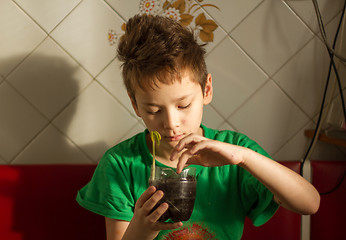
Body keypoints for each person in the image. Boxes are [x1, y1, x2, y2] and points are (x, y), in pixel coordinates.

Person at [76, 14, 320, 240]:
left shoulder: (236, 152)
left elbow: (309, 204)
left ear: (207, 90)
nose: (170, 124)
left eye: (183, 106)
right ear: (135, 104)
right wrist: (143, 228)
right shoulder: (120, 164)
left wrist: (243, 158)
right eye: (154, 110)